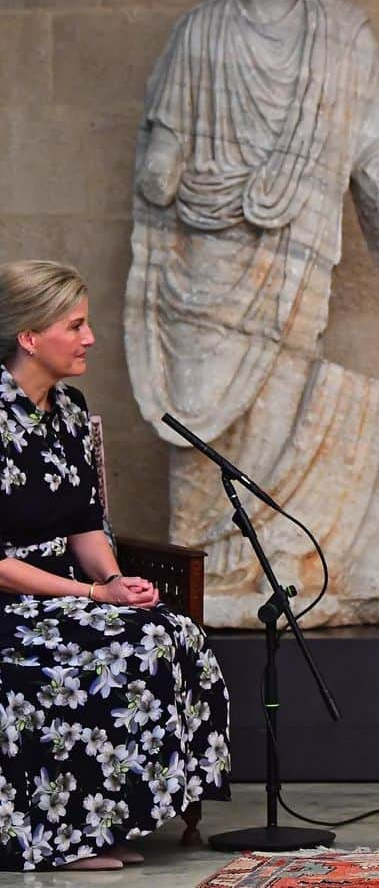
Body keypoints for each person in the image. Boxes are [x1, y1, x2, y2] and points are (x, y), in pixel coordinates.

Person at [124, 0, 379, 628]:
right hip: (206, 248)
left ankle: (268, 555)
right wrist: (159, 168)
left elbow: (371, 130)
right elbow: (164, 131)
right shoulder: (201, 30)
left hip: (295, 243)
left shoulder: (342, 36)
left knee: (283, 390)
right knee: (194, 405)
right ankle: (196, 559)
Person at [0, 260, 230, 871]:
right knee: (105, 655)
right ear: (29, 337)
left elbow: (85, 521)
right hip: (12, 602)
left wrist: (109, 580)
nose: (90, 337)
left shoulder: (70, 410)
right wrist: (88, 597)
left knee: (169, 633)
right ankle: (58, 838)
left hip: (69, 593)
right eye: (75, 325)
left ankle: (114, 816)